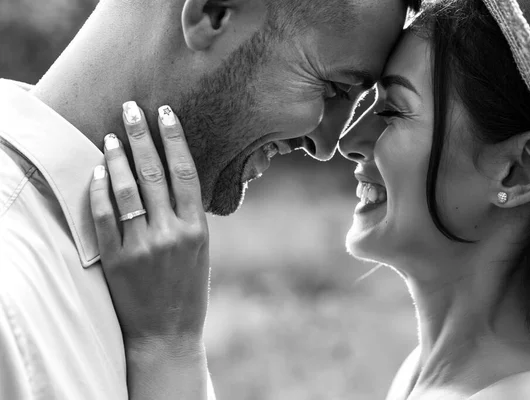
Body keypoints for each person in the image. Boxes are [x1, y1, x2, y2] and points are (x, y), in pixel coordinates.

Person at [91, 0, 530, 398]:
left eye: (395, 111)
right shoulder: (426, 375)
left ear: (519, 168)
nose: (347, 142)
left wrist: (169, 347)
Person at [0, 0, 423, 398]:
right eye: (333, 88)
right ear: (212, 12)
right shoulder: (11, 302)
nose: (327, 144)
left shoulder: (152, 280)